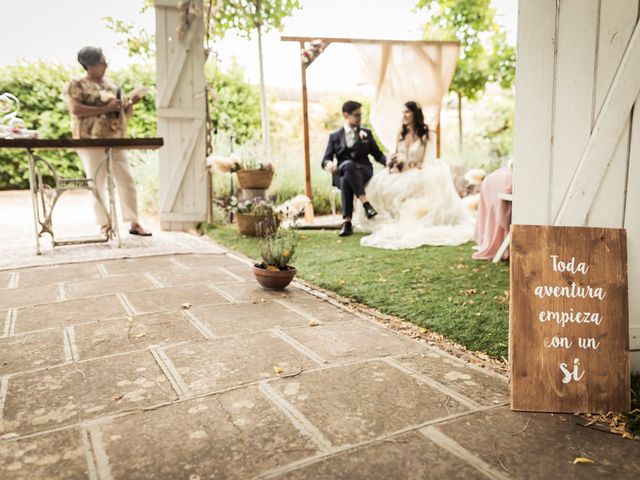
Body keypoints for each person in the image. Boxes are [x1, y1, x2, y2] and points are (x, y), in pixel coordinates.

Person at [354, 101, 473, 249]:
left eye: (407, 112)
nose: (404, 115)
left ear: (415, 114)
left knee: (412, 184)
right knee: (376, 186)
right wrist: (393, 161)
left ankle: (406, 219)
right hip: (401, 171)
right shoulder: (401, 134)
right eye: (403, 112)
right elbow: (397, 154)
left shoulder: (427, 135)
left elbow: (427, 161)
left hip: (418, 171)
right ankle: (383, 217)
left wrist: (409, 163)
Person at [64, 46, 151, 236]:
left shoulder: (113, 85)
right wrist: (104, 109)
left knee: (126, 180)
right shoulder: (77, 84)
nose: (105, 65)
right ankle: (104, 225)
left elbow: (123, 116)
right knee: (97, 182)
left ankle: (134, 223)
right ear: (89, 65)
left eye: (105, 61)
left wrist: (128, 106)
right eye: (101, 62)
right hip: (90, 140)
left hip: (116, 138)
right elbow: (75, 110)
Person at [322, 100, 386, 236]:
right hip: (341, 173)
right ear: (346, 115)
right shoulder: (334, 136)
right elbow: (325, 159)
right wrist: (329, 165)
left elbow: (378, 155)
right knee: (346, 171)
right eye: (356, 115)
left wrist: (391, 165)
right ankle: (366, 204)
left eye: (360, 115)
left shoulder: (366, 133)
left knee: (347, 175)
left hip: (363, 171)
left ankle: (347, 222)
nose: (360, 118)